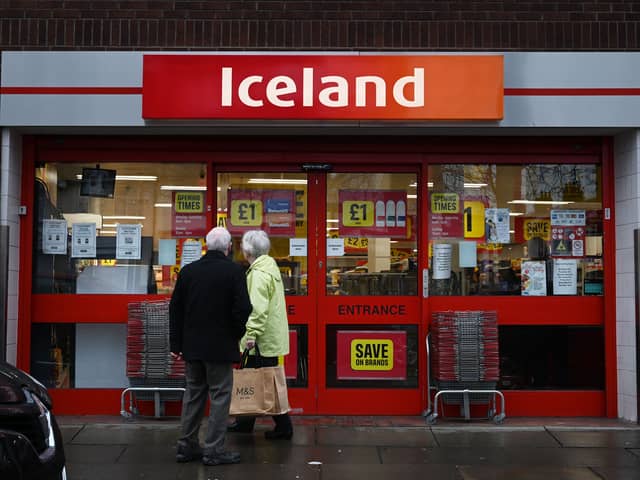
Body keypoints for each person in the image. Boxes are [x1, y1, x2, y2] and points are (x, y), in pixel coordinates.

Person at [169, 227, 252, 466]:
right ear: (227, 248)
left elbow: (175, 309)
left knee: (194, 395)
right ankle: (213, 449)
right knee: (219, 396)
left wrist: (176, 344)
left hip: (192, 347)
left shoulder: (189, 271)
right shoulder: (234, 271)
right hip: (220, 347)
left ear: (206, 245)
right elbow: (244, 308)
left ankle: (186, 445)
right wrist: (235, 333)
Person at [227, 229, 293, 439]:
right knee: (258, 380)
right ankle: (245, 422)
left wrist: (250, 336)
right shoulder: (269, 268)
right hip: (269, 337)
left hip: (260, 340)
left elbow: (257, 308)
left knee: (262, 381)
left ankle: (284, 427)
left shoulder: (258, 274)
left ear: (247, 251)